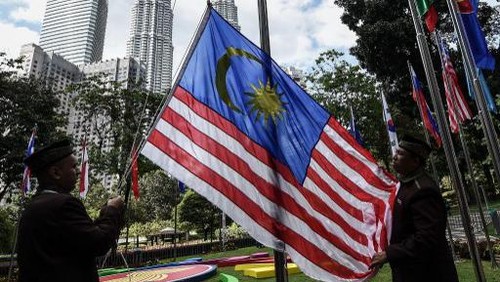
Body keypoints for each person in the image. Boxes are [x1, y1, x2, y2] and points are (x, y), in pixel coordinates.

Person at [17, 139, 125, 282]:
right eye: (74, 167)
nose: (79, 172)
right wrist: (112, 209)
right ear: (56, 172)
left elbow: (79, 239)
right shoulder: (64, 204)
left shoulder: (32, 207)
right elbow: (99, 243)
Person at [370, 135, 458, 282]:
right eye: (396, 152)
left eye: (400, 154)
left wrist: (390, 253)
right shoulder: (406, 185)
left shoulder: (423, 191)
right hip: (409, 271)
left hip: (428, 273)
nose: (394, 157)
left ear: (415, 161)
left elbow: (427, 237)